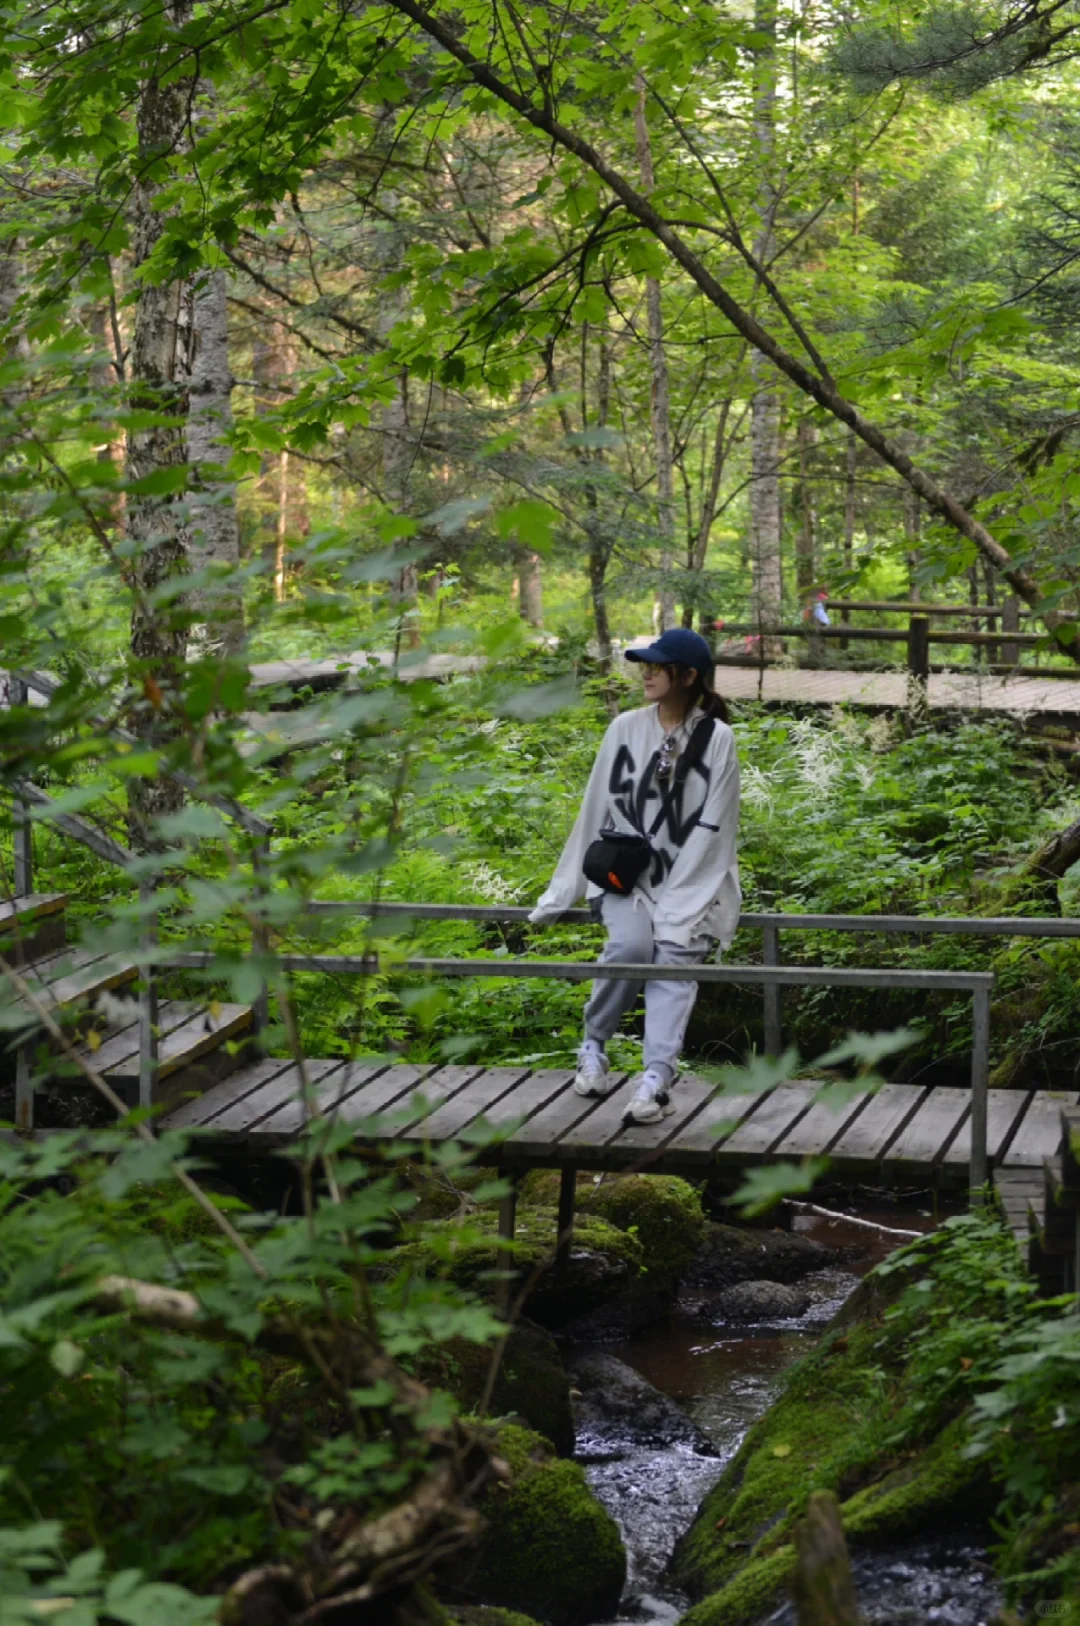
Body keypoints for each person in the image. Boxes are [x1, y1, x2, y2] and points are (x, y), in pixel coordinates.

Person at [528, 628, 741, 1124]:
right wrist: (564, 890)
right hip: (626, 878)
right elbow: (594, 807)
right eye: (645, 665)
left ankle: (655, 1081)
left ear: (688, 676)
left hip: (693, 882)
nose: (646, 673)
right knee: (629, 948)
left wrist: (681, 900)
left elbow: (716, 828)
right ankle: (594, 1045)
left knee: (672, 960)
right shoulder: (624, 728)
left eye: (658, 666)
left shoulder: (717, 739)